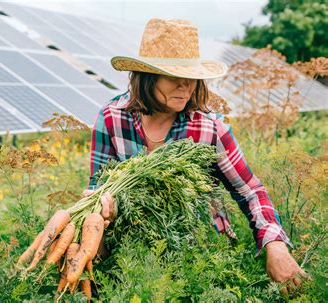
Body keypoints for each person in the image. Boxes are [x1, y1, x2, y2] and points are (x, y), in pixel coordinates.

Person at [83, 18, 308, 296]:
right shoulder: (112, 118)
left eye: (191, 76)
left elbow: (249, 190)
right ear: (147, 76)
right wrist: (100, 206)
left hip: (202, 255)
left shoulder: (209, 126)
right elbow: (96, 187)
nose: (185, 85)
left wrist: (275, 245)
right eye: (172, 75)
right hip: (132, 257)